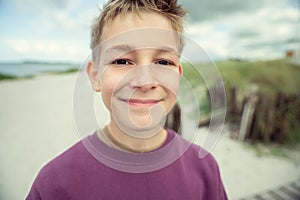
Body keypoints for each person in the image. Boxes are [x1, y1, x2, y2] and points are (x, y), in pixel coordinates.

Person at [27, 0, 227, 199]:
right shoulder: (53, 184)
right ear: (95, 76)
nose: (145, 81)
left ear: (177, 74)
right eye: (122, 61)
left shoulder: (205, 168)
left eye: (163, 62)